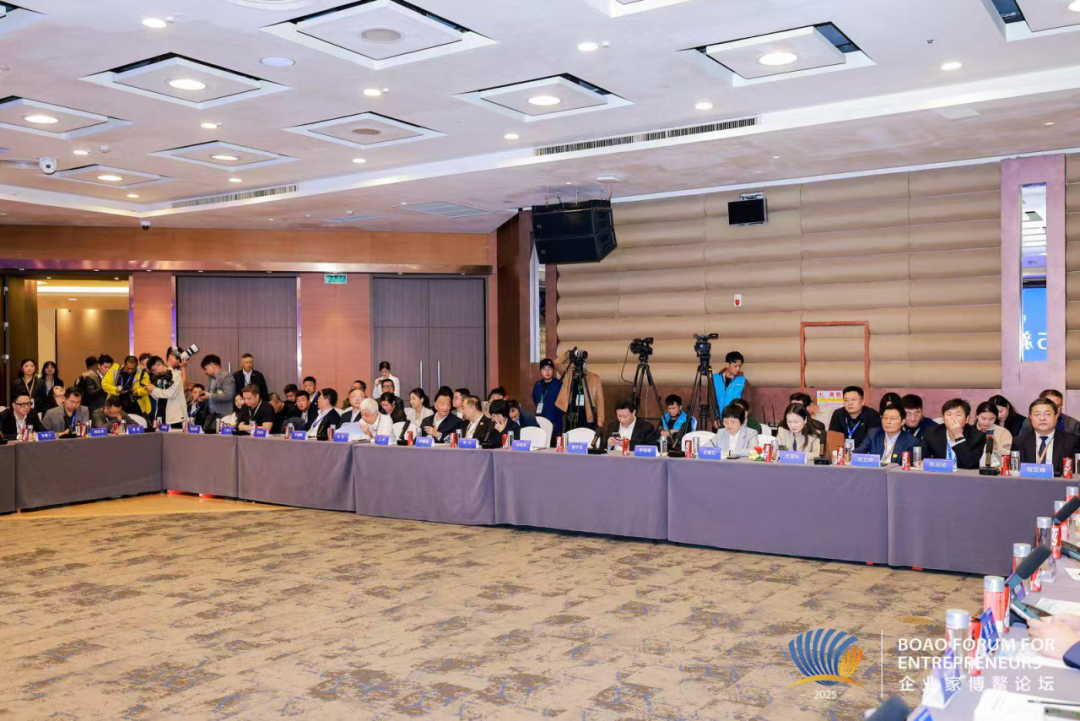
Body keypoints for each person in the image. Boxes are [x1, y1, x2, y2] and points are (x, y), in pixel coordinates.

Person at [1017, 397, 1079, 476]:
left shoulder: (1071, 442)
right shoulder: (1019, 442)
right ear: (1031, 417)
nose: (1042, 418)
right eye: (1037, 414)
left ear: (1056, 416)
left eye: (1047, 414)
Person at [921, 399, 986, 470]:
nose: (953, 418)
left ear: (967, 419)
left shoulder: (977, 436)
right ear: (943, 418)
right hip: (939, 475)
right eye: (949, 414)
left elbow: (970, 464)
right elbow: (922, 459)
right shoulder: (931, 433)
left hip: (964, 476)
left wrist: (958, 436)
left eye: (958, 415)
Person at [554, 349, 605, 430]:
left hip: (587, 415)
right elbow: (556, 363)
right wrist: (568, 354)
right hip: (572, 413)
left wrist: (600, 420)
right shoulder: (568, 375)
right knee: (571, 435)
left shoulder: (594, 378)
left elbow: (600, 400)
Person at [148, 355, 186, 429]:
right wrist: (150, 391)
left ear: (159, 364)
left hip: (174, 416)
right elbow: (159, 396)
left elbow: (171, 394)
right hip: (161, 414)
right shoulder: (159, 377)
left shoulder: (175, 375)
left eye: (154, 370)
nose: (155, 372)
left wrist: (154, 389)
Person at [532, 358, 564, 442]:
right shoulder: (537, 385)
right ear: (540, 371)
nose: (547, 372)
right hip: (540, 425)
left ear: (553, 370)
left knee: (555, 448)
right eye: (544, 369)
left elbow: (564, 404)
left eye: (550, 369)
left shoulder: (559, 385)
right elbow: (535, 401)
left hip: (555, 426)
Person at [711, 351, 747, 426]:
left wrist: (741, 420)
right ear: (727, 364)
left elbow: (747, 404)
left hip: (735, 422)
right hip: (718, 421)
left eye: (739, 366)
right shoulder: (715, 378)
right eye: (735, 366)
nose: (738, 369)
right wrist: (713, 419)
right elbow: (710, 400)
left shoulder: (743, 381)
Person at [973, 401, 1012, 468]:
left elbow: (1008, 456)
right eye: (983, 418)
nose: (987, 422)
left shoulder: (1003, 433)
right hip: (973, 470)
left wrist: (996, 446)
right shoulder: (969, 431)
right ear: (976, 415)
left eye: (991, 419)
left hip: (997, 470)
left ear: (996, 417)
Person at [196, 354, 236, 420]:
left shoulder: (226, 376)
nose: (205, 372)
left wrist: (209, 396)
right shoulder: (210, 378)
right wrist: (203, 396)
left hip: (223, 416)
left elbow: (228, 395)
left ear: (212, 366)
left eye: (205, 369)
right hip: (211, 415)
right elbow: (211, 394)